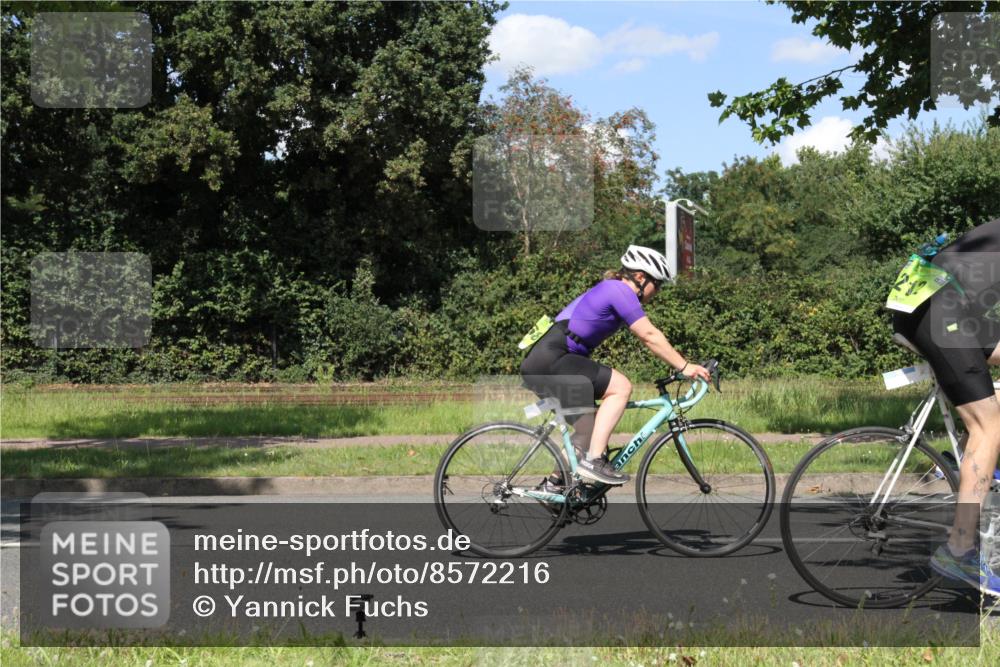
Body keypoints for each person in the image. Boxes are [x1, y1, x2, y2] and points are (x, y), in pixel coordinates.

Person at [520, 245, 711, 486]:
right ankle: (594, 462)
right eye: (658, 284)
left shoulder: (612, 290)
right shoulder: (619, 289)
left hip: (547, 360)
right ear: (640, 277)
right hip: (553, 358)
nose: (658, 291)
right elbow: (649, 335)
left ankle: (554, 486)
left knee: (588, 431)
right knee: (620, 387)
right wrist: (684, 366)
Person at [891, 219, 1000, 596]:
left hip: (931, 301)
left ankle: (987, 465)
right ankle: (960, 549)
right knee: (988, 427)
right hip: (941, 307)